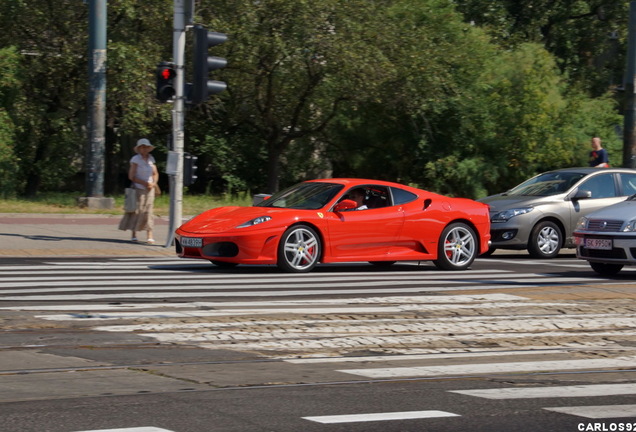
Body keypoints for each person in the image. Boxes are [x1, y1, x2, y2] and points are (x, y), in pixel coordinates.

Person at [118, 138, 159, 243]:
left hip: (150, 189)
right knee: (137, 210)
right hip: (138, 188)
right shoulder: (135, 159)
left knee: (148, 211)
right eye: (142, 147)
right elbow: (131, 176)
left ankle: (149, 234)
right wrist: (145, 183)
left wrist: (153, 183)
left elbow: (155, 173)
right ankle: (134, 233)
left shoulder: (151, 159)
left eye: (146, 147)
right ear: (139, 149)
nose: (144, 149)